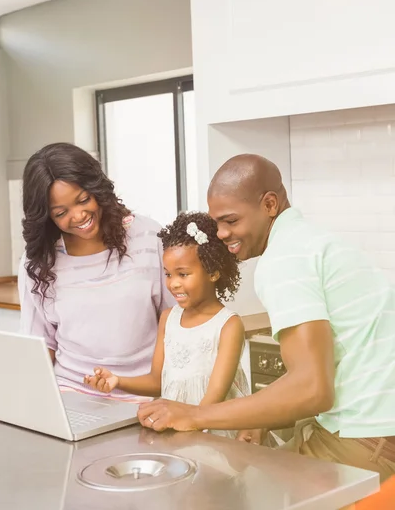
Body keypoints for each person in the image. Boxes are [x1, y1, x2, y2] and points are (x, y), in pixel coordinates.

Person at [138, 154, 395, 481]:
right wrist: (261, 416)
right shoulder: (309, 241)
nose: (220, 234)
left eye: (231, 221)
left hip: (363, 441)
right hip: (378, 433)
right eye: (217, 223)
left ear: (270, 204)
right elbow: (319, 375)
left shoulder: (283, 260)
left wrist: (195, 414)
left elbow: (312, 389)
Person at [19, 142, 174, 396]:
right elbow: (40, 346)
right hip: (70, 394)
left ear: (97, 190)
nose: (79, 216)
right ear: (47, 217)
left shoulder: (147, 237)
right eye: (61, 213)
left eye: (83, 200)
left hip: (145, 394)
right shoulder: (38, 262)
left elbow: (176, 322)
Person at [85, 211, 250, 437]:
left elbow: (213, 400)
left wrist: (184, 423)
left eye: (183, 274)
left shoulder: (228, 325)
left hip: (214, 434)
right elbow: (157, 381)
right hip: (177, 430)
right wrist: (117, 380)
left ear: (213, 272)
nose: (173, 284)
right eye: (168, 274)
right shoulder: (168, 319)